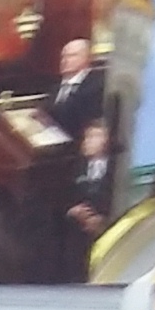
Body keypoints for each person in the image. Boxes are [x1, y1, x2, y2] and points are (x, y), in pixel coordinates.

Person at [63, 116, 119, 281]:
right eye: (87, 137)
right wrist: (72, 210)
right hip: (77, 236)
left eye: (95, 136)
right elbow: (64, 197)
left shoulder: (117, 169)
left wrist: (103, 220)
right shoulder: (75, 167)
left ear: (107, 140)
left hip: (106, 234)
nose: (88, 142)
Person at [46, 35, 108, 142]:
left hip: (78, 143)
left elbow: (76, 118)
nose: (65, 60)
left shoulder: (97, 85)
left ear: (88, 58)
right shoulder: (55, 85)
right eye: (63, 57)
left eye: (72, 56)